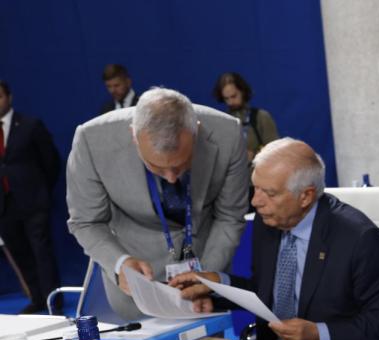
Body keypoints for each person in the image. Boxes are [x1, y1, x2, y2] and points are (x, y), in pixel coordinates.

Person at [170, 138, 379, 340]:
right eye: (255, 188)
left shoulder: (359, 237)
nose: (256, 202)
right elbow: (268, 293)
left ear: (306, 196)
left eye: (270, 193)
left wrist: (320, 335)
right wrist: (218, 284)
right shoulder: (269, 223)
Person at [67, 87, 249, 320]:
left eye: (181, 165)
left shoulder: (228, 133)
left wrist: (205, 279)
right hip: (137, 288)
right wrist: (120, 263)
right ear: (134, 136)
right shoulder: (92, 141)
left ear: (197, 132)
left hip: (206, 277)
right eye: (157, 167)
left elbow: (229, 217)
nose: (171, 177)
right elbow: (86, 222)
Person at [0, 80, 61, 313]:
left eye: (0, 97)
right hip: (4, 205)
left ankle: (52, 300)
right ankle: (36, 299)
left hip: (33, 201)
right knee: (20, 252)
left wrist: (41, 190)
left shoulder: (29, 125)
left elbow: (51, 161)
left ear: (9, 97)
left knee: (41, 251)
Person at [213, 72, 279, 164]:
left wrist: (255, 155)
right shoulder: (222, 121)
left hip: (258, 173)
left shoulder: (261, 117)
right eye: (226, 99)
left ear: (243, 92)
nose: (230, 102)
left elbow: (276, 151)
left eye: (234, 96)